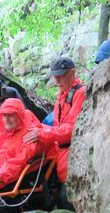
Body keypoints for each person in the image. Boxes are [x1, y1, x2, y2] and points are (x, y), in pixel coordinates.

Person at [23, 57, 85, 185]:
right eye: (54, 76)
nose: (56, 80)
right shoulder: (61, 96)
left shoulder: (81, 93)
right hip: (62, 155)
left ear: (73, 73)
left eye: (61, 76)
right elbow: (57, 128)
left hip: (75, 156)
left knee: (67, 197)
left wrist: (42, 133)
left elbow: (72, 130)